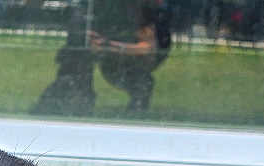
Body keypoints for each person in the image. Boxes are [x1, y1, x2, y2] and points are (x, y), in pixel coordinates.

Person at [34, 0, 171, 116]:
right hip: (108, 60)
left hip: (129, 62)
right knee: (74, 70)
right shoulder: (92, 10)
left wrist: (108, 45)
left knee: (141, 84)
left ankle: (137, 111)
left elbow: (148, 48)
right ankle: (64, 101)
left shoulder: (136, 11)